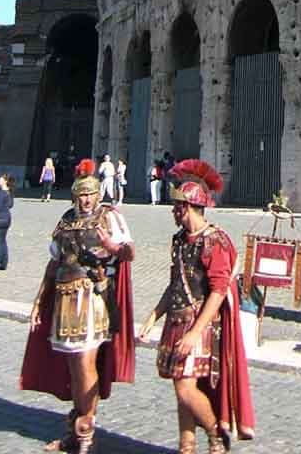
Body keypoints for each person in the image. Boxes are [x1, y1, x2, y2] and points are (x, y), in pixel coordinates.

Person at [20, 158, 135, 454]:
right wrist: (38, 301)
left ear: (99, 194)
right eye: (81, 195)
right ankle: (76, 429)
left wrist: (111, 246)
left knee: (85, 363)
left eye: (90, 194)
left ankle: (85, 431)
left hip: (93, 297)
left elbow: (129, 253)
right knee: (73, 366)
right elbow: (53, 261)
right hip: (64, 298)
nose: (85, 200)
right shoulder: (66, 219)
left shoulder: (109, 217)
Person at [139, 158, 255, 452]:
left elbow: (218, 292)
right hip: (176, 320)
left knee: (185, 388)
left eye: (177, 206)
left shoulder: (214, 242)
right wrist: (153, 316)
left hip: (200, 325)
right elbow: (175, 284)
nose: (173, 211)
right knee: (181, 389)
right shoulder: (180, 239)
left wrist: (194, 333)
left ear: (188, 207)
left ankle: (217, 433)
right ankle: (186, 445)